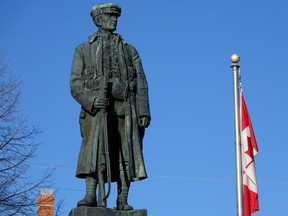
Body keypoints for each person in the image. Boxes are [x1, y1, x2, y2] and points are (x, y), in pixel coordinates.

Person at [70, 3, 151, 210]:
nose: (114, 20)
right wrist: (91, 101)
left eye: (115, 17)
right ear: (98, 20)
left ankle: (122, 199)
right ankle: (90, 195)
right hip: (97, 111)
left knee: (126, 154)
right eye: (109, 16)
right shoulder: (83, 50)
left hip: (126, 109)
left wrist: (143, 111)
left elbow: (141, 81)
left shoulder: (129, 50)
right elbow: (75, 84)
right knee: (94, 152)